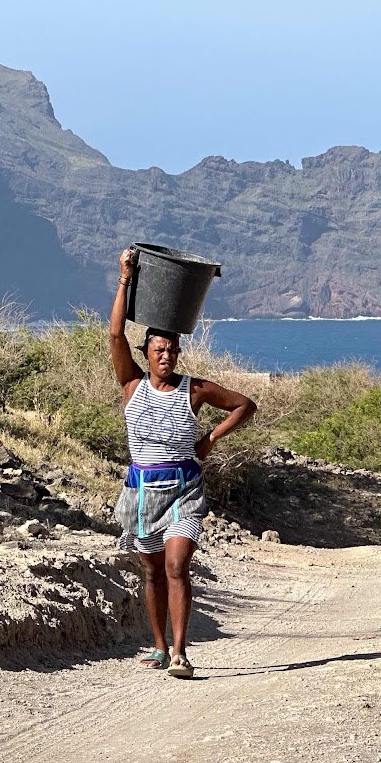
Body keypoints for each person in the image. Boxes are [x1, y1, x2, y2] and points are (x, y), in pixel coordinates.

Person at [109, 247, 257, 679]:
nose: (167, 357)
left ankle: (179, 653)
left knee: (176, 565)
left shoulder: (195, 390)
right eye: (159, 350)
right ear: (148, 352)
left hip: (184, 492)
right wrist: (125, 277)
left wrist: (210, 437)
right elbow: (116, 336)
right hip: (141, 493)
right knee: (151, 572)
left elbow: (244, 405)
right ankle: (158, 646)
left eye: (173, 350)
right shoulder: (131, 384)